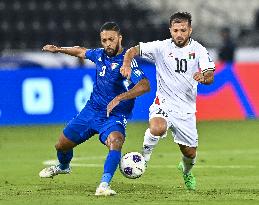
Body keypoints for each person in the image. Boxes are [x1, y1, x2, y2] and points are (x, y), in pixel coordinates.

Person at [39, 22, 150, 196]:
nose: (107, 44)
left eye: (111, 40)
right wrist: (59, 49)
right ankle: (63, 166)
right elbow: (80, 51)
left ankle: (103, 185)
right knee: (61, 145)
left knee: (115, 142)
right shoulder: (99, 55)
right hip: (91, 111)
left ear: (120, 38)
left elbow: (144, 85)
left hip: (114, 115)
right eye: (104, 40)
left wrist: (120, 97)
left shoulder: (127, 62)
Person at [120, 12, 215, 190]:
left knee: (189, 153)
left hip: (186, 111)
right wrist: (126, 63)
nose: (179, 34)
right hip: (163, 103)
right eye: (176, 30)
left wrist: (203, 76)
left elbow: (210, 75)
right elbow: (133, 50)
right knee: (157, 128)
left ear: (190, 30)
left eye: (183, 30)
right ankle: (144, 159)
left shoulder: (199, 50)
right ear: (170, 30)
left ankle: (186, 171)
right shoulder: (161, 47)